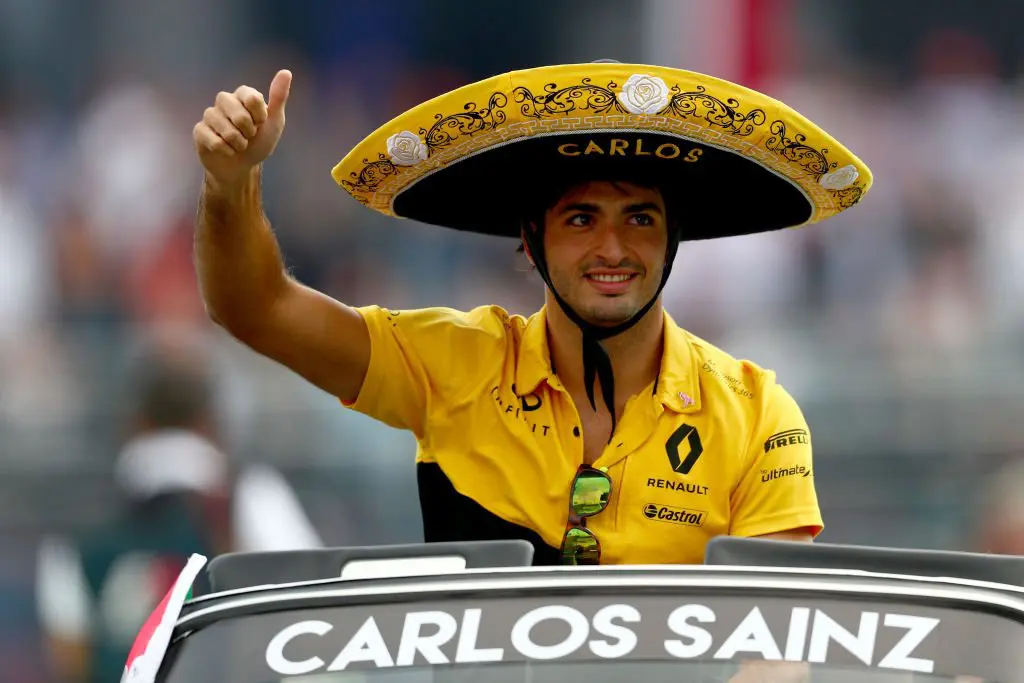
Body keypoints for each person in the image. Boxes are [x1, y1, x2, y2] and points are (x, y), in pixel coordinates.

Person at [192, 61, 872, 567]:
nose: (613, 247)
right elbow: (256, 309)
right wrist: (232, 182)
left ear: (673, 237)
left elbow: (775, 646)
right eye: (581, 218)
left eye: (640, 218)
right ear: (532, 237)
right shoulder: (456, 361)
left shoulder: (759, 413)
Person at [35, 332, 322, 683]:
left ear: (135, 423)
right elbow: (313, 623)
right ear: (212, 424)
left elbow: (70, 661)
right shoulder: (251, 497)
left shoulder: (75, 524)